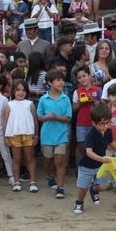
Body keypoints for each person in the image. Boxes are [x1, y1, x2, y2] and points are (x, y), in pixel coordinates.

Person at [73, 102, 116, 214]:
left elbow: (112, 143)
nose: (105, 126)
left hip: (100, 165)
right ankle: (79, 203)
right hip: (87, 165)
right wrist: (102, 159)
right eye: (102, 124)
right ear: (93, 123)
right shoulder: (91, 134)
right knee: (83, 188)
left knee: (104, 186)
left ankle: (94, 190)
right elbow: (89, 152)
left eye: (107, 123)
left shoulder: (108, 131)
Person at [37, 69, 72, 199]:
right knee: (48, 160)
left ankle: (60, 187)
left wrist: (56, 117)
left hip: (61, 134)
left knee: (59, 162)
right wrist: (47, 117)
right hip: (46, 135)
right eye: (58, 80)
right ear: (50, 83)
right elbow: (39, 116)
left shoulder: (66, 98)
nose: (61, 82)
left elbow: (68, 118)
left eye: (62, 80)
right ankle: (49, 176)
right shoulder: (43, 99)